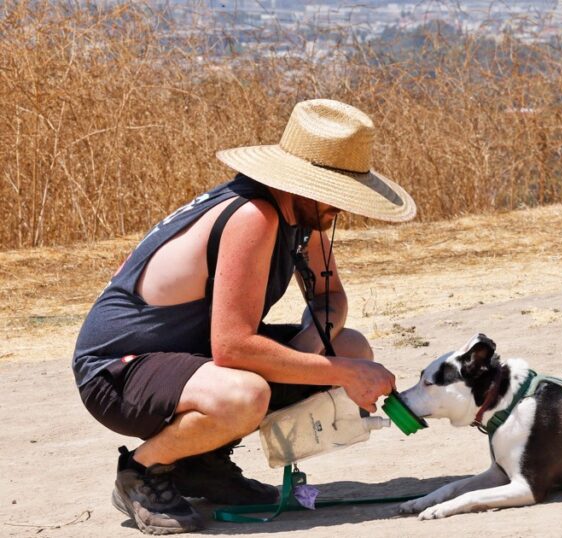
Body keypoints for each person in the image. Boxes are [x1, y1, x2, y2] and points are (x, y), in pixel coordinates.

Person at [71, 100, 416, 534]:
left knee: (350, 346)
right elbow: (232, 346)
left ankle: (201, 465)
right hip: (117, 372)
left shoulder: (298, 215)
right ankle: (142, 472)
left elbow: (329, 298)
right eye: (337, 193)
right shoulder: (254, 216)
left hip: (189, 357)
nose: (340, 210)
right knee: (245, 394)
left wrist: (315, 353)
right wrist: (339, 372)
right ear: (306, 183)